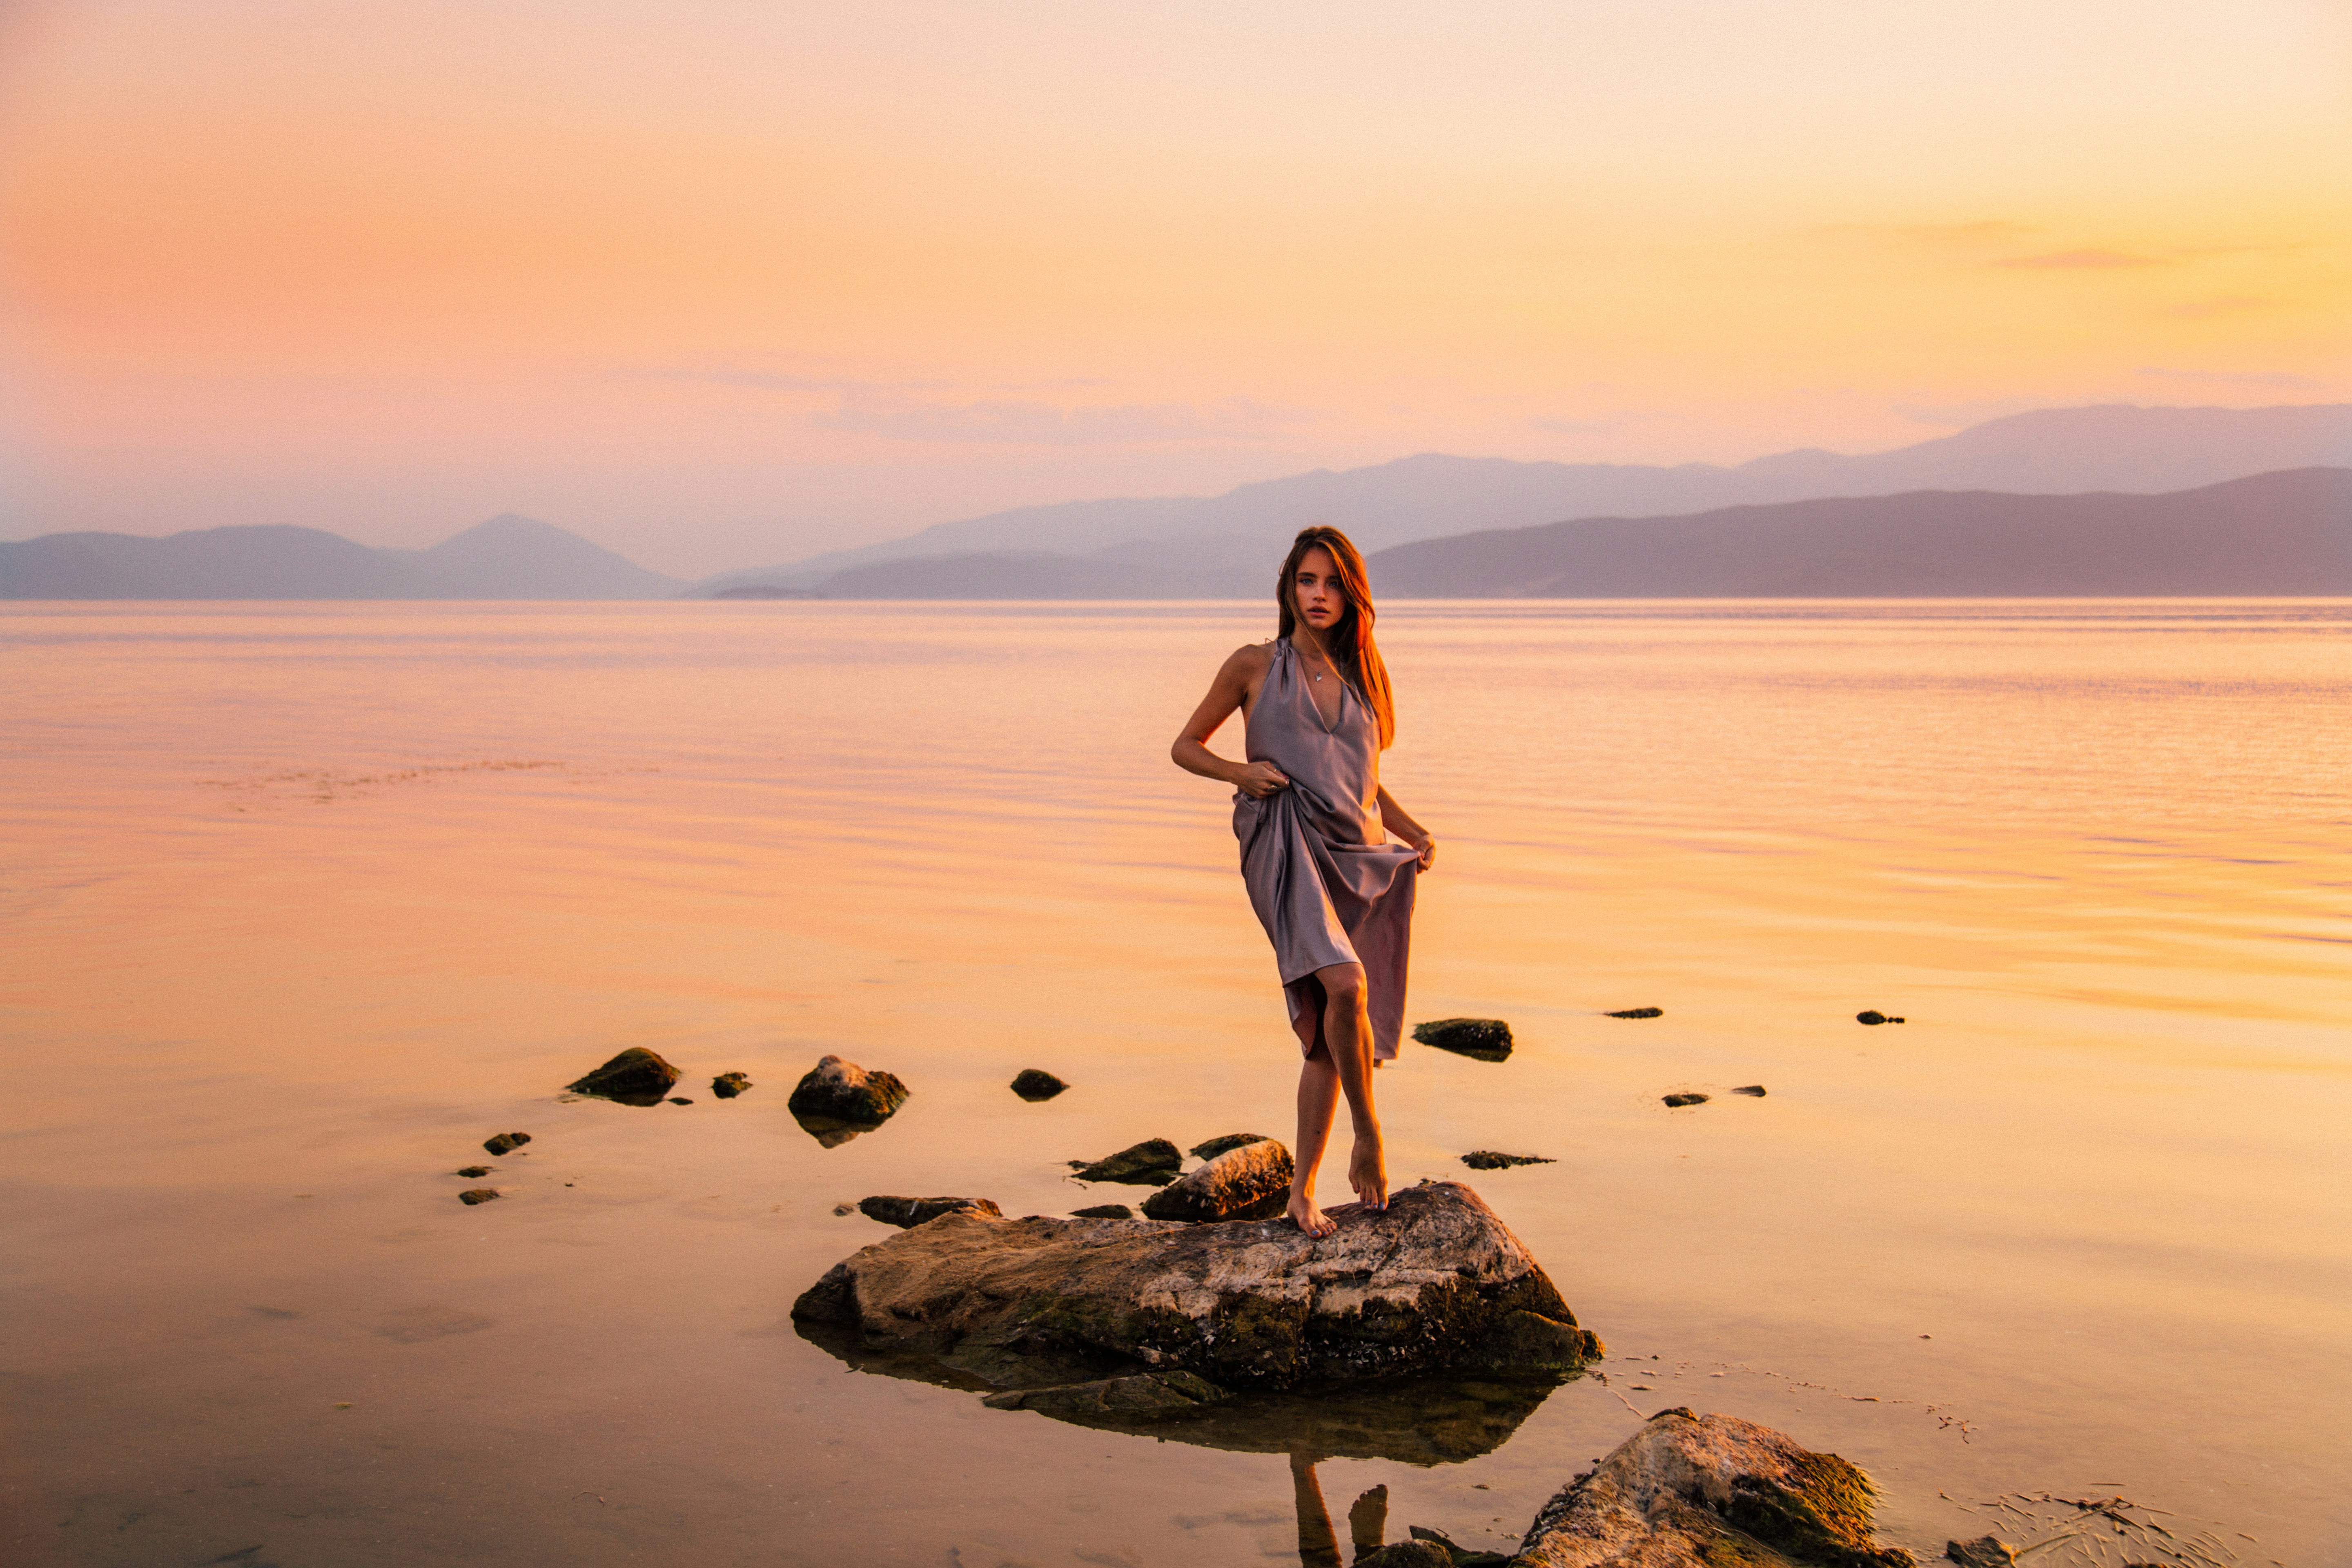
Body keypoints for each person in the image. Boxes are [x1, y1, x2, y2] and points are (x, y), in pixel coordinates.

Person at [1171, 526, 1436, 1237]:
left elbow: (1365, 781)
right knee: (1347, 985)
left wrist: (1410, 832)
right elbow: (1185, 746)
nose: (1318, 596)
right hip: (1281, 839)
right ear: (1289, 587)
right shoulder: (1254, 665)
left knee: (1327, 1033)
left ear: (1352, 597)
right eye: (1306, 582)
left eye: (1332, 585)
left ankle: (1301, 1193)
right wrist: (1240, 772)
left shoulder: (1367, 675)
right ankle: (1370, 1134)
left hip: (1355, 849)